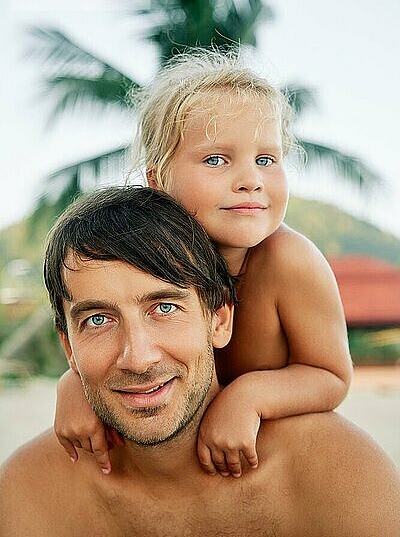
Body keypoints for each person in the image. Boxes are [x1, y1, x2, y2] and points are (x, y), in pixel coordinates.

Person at [1, 186, 399, 537]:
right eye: (98, 320)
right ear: (69, 346)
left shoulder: (334, 473)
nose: (138, 358)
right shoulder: (29, 492)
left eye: (165, 308)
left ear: (219, 319)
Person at [55, 49, 354, 477]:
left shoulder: (288, 261)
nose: (250, 179)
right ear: (158, 180)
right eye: (217, 159)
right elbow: (100, 327)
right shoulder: (147, 260)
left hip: (277, 465)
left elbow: (331, 376)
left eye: (266, 160)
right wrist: (73, 386)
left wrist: (248, 397)